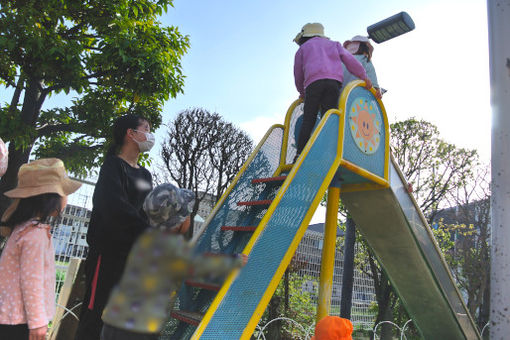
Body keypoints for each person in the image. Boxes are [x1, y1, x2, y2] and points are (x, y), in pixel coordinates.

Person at [100, 183, 248, 340]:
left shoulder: (145, 240)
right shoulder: (170, 247)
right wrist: (233, 260)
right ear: (180, 221)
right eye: (188, 214)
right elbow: (199, 265)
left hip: (112, 322)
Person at [75, 114, 155, 340]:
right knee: (97, 312)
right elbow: (113, 206)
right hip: (108, 254)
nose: (150, 135)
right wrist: (147, 231)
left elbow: (146, 209)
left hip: (133, 256)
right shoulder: (112, 166)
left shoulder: (144, 174)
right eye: (146, 128)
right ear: (131, 133)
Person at [0, 158, 81, 340]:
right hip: (21, 320)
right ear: (49, 198)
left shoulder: (22, 228)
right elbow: (32, 280)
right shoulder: (34, 234)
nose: (66, 198)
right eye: (64, 192)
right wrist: (37, 322)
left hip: (11, 316)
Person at [293, 23, 373, 160]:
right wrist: (364, 77)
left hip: (313, 84)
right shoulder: (334, 44)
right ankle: (329, 152)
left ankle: (300, 153)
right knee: (329, 117)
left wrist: (302, 91)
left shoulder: (302, 49)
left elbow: (298, 74)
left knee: (309, 119)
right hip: (333, 84)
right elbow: (350, 61)